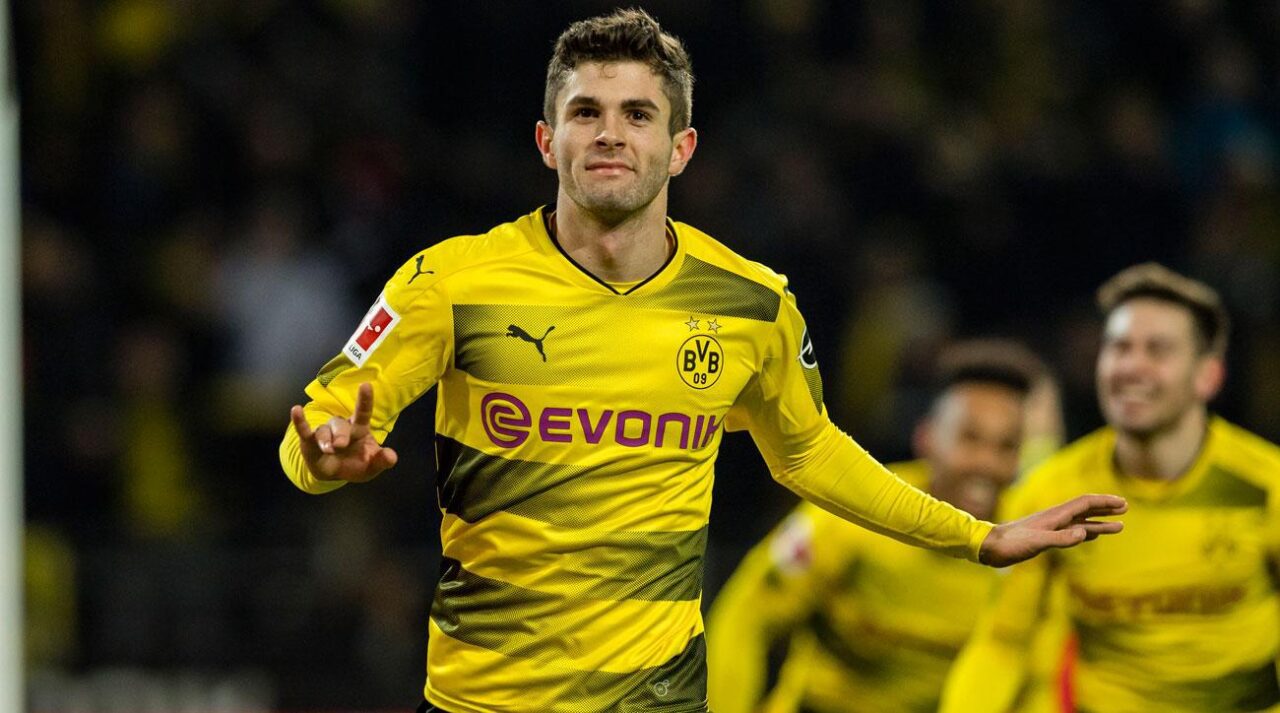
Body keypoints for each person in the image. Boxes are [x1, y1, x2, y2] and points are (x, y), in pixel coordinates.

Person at [278, 9, 1125, 713]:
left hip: (658, 697)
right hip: (482, 699)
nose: (610, 134)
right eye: (586, 112)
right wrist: (320, 458)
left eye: (638, 114)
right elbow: (319, 420)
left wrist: (979, 537)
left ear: (681, 147)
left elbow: (809, 450)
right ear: (546, 140)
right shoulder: (450, 281)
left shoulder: (753, 303)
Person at [941, 263, 1280, 713]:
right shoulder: (1053, 491)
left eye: (1157, 350)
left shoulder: (1266, 485)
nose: (1131, 367)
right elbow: (1004, 642)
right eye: (1119, 347)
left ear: (1208, 376)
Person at [706, 340, 1053, 713]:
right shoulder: (853, 514)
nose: (987, 463)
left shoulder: (1031, 547)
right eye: (970, 439)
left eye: (1006, 446)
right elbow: (746, 617)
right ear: (926, 438)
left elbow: (1041, 671)